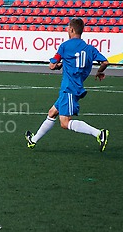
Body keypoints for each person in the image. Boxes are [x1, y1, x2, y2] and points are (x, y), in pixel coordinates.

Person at [25, 18, 110, 152]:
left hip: (69, 88)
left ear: (71, 29)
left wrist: (57, 65)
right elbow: (105, 61)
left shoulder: (65, 46)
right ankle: (33, 140)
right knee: (52, 113)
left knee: (65, 123)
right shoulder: (89, 49)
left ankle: (99, 133)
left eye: (68, 28)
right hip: (75, 87)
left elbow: (52, 65)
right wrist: (99, 72)